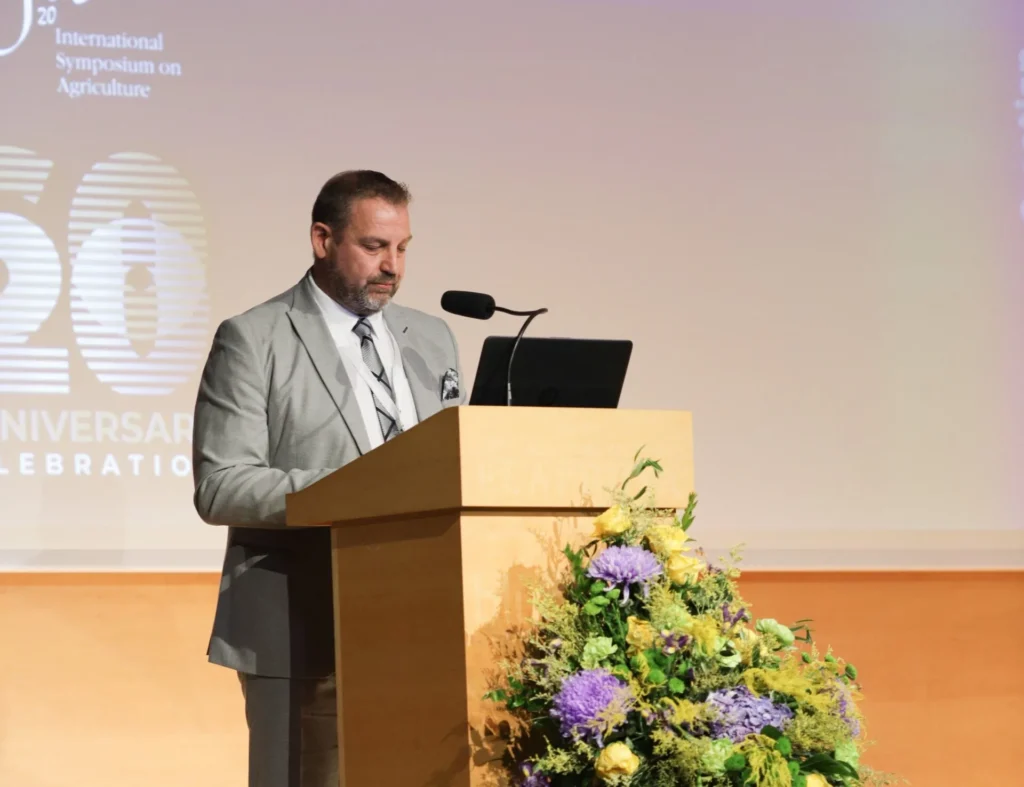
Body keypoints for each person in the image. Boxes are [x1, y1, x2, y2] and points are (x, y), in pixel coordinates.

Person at [191, 170, 466, 787]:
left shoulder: (432, 338)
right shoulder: (254, 338)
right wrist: (359, 487)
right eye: (374, 246)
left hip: (426, 622)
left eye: (402, 248)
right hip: (301, 623)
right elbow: (222, 485)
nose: (392, 266)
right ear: (322, 239)